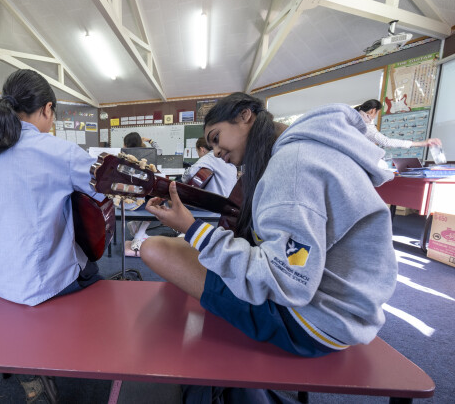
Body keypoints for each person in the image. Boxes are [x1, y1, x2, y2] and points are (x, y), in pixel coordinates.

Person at [140, 93, 398, 401]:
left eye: (217, 138)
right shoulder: (311, 149)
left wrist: (193, 229)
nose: (217, 153)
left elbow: (288, 282)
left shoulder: (292, 165)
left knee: (155, 249)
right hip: (345, 309)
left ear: (245, 115)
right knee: (191, 252)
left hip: (312, 322)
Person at [0, 69, 104, 306]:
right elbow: (104, 191)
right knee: (91, 264)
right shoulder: (61, 151)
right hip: (46, 286)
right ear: (47, 108)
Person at [124, 137, 238, 257]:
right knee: (167, 196)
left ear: (202, 149)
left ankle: (176, 231)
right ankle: (149, 227)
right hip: (226, 203)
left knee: (166, 198)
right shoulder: (229, 160)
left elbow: (187, 176)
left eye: (198, 152)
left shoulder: (209, 158)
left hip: (211, 206)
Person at [355, 99, 442, 153]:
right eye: (377, 113)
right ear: (373, 111)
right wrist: (422, 143)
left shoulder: (356, 117)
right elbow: (387, 142)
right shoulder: (365, 126)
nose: (376, 116)